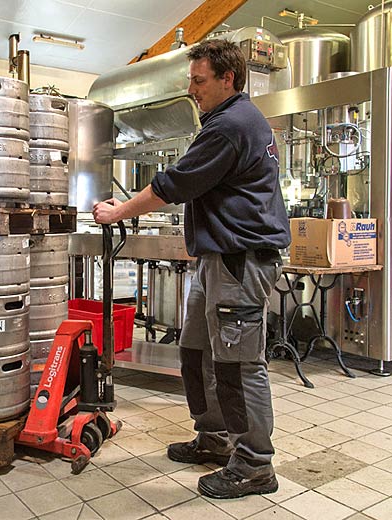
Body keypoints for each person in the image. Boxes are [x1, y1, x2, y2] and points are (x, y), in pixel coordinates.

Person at [93, 39, 290, 500]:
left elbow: (173, 184)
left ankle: (255, 466)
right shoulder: (227, 120)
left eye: (199, 82)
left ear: (229, 79)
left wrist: (118, 212)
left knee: (239, 366)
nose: (193, 90)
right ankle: (216, 439)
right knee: (196, 352)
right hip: (217, 259)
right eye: (191, 80)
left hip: (239, 262)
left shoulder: (230, 126)